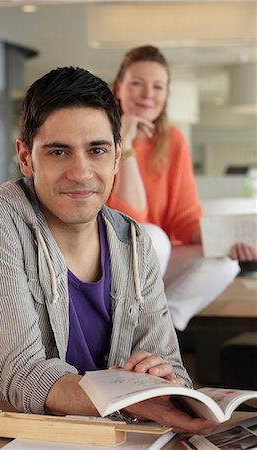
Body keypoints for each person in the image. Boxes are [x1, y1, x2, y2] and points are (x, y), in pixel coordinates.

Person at [0, 66, 215, 434]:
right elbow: (24, 374)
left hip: (112, 435)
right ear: (26, 157)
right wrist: (127, 396)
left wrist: (161, 378)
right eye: (59, 152)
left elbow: (173, 367)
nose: (80, 172)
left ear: (116, 157)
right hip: (3, 436)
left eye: (96, 150)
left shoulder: (133, 241)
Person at [107, 45, 257, 331]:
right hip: (113, 259)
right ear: (119, 88)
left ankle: (161, 330)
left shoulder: (173, 140)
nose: (148, 94)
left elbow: (184, 218)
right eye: (137, 83)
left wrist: (228, 241)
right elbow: (130, 225)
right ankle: (127, 328)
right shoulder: (102, 137)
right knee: (154, 238)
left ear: (165, 95)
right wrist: (126, 145)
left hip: (155, 261)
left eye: (158, 86)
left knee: (225, 263)